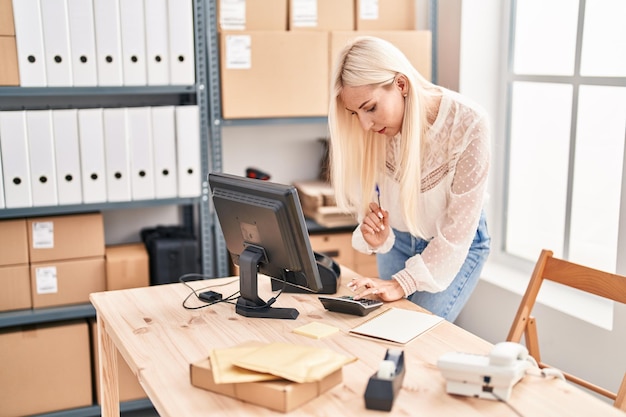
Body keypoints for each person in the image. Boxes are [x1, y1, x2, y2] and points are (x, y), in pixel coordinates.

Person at [328, 36, 491, 322]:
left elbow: (456, 233)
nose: (365, 125)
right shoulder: (377, 130)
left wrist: (401, 283)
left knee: (413, 334)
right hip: (401, 239)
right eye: (355, 114)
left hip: (453, 243)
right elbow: (377, 194)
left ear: (401, 85)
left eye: (370, 108)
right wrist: (378, 235)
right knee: (385, 330)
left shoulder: (469, 123)